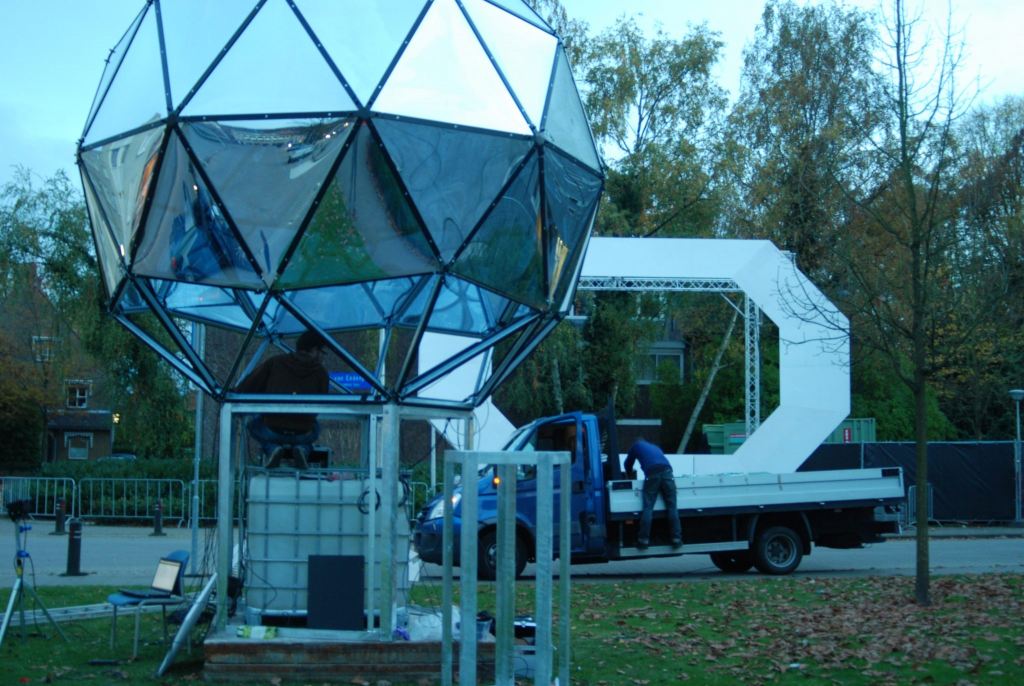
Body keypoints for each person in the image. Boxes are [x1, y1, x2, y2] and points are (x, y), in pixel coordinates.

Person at [236, 330, 330, 467]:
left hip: (272, 430)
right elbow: (322, 402)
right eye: (322, 352)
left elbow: (249, 385)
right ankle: (303, 449)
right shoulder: (321, 373)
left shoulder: (275, 363)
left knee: (252, 424)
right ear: (314, 349)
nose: (322, 357)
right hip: (303, 433)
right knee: (315, 427)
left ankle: (272, 449)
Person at [623, 438, 682, 549]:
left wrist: (629, 475)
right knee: (672, 507)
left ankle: (643, 541)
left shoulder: (635, 446)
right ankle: (676, 539)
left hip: (652, 473)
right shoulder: (655, 447)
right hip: (668, 472)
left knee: (648, 508)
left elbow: (627, 463)